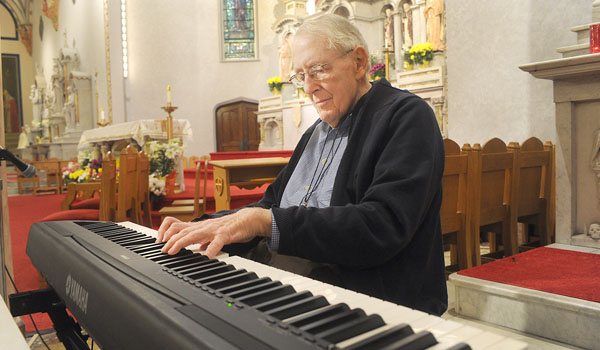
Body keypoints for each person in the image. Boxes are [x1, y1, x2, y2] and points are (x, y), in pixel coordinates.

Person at [158, 14, 447, 316]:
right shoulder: (315, 132)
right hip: (287, 280)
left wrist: (264, 221)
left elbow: (381, 226)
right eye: (300, 76)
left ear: (359, 62)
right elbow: (270, 205)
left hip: (362, 300)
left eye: (318, 70)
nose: (309, 88)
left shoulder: (406, 116)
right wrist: (204, 227)